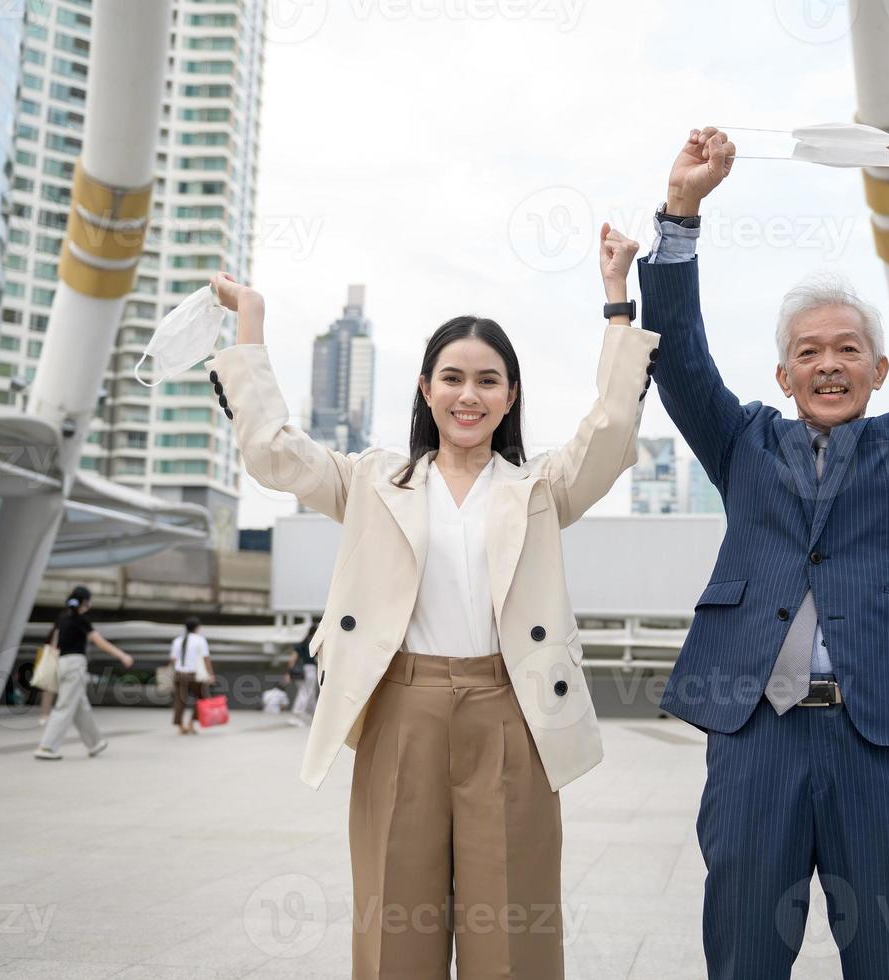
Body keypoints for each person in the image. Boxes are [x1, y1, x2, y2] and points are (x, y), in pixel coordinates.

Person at [638, 127, 889, 978]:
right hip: (756, 739)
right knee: (743, 952)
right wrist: (681, 214)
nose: (828, 366)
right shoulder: (740, 442)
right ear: (782, 376)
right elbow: (676, 359)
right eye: (808, 353)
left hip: (880, 738)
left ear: (877, 367)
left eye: (846, 350)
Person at [205, 220, 657, 979]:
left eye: (488, 380)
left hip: (509, 712)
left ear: (511, 396)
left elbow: (610, 431)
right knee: (394, 929)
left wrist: (616, 301)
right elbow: (274, 451)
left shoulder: (539, 489)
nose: (468, 394)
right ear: (425, 387)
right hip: (401, 712)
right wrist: (250, 322)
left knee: (510, 933)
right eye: (452, 377)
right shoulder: (373, 480)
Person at [34, 585, 134, 760]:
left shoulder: (62, 618)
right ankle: (46, 747)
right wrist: (122, 655)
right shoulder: (80, 619)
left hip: (60, 663)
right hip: (74, 666)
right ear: (86, 602)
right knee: (65, 706)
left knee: (81, 707)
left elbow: (52, 642)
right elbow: (99, 642)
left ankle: (95, 742)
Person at [169, 616, 215, 735]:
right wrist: (210, 674)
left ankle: (180, 726)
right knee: (201, 699)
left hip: (179, 673)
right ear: (197, 627)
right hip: (195, 675)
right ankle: (191, 723)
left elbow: (173, 659)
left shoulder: (177, 640)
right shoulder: (200, 640)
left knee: (179, 701)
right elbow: (206, 658)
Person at [285, 621, 319, 727]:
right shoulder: (315, 643)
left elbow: (292, 659)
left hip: (300, 671)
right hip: (310, 670)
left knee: (310, 693)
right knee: (305, 693)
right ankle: (296, 716)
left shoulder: (302, 643)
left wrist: (289, 673)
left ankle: (314, 716)